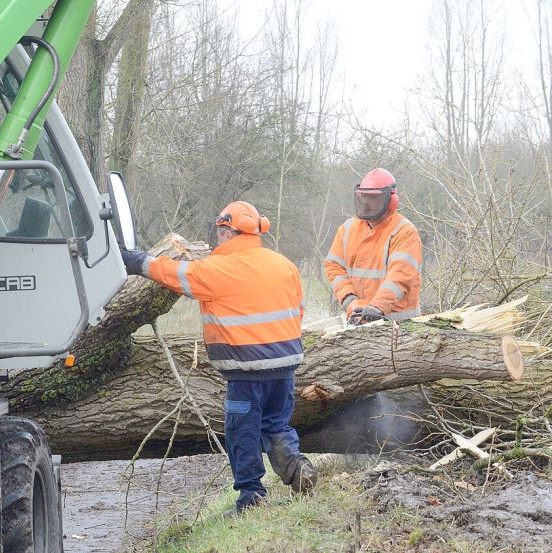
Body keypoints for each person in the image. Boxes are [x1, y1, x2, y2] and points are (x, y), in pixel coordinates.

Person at [121, 201, 317, 515]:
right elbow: (299, 311)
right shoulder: (285, 265)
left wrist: (135, 261)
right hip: (285, 365)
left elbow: (172, 273)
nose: (217, 237)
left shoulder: (218, 268)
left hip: (245, 371)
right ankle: (295, 466)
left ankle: (251, 496)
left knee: (242, 431)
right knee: (276, 424)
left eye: (220, 230)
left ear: (228, 230)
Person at [325, 168, 422, 325]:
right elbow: (333, 267)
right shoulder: (348, 229)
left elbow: (401, 276)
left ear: (390, 200)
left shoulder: (404, 231)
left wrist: (377, 307)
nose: (367, 204)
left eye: (373, 199)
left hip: (399, 325)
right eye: (364, 198)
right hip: (357, 320)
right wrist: (350, 301)